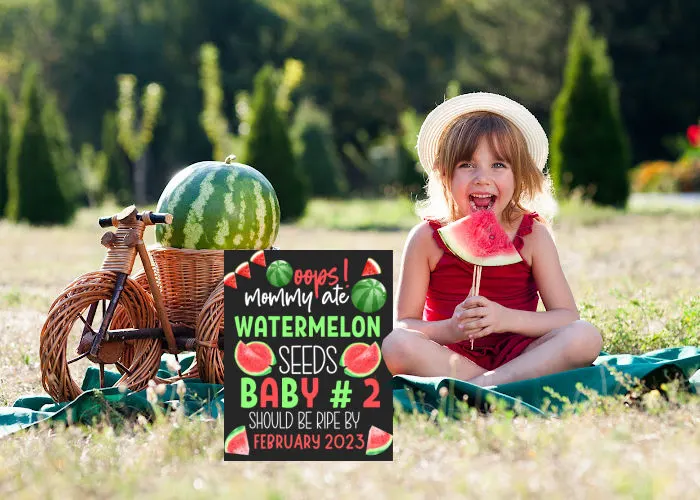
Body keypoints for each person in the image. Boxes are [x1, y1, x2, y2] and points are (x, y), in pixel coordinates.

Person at [382, 92, 602, 386]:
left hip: (521, 354)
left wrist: (505, 319)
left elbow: (565, 316)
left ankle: (484, 386)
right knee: (396, 344)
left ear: (519, 176)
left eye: (499, 165)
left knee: (585, 335)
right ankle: (502, 386)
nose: (482, 178)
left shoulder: (533, 234)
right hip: (449, 356)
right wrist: (452, 329)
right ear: (445, 176)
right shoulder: (426, 238)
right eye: (467, 165)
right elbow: (406, 324)